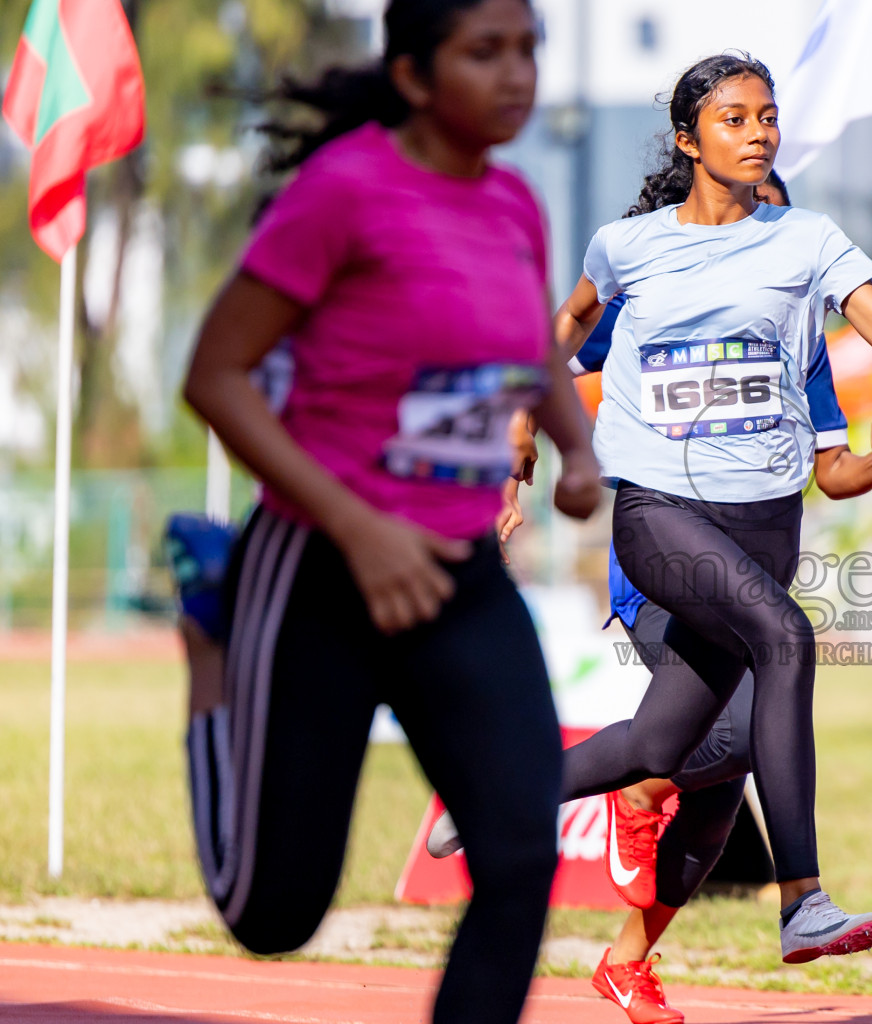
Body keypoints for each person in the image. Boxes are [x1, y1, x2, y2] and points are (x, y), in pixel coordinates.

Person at [178, 1, 600, 1021]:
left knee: (515, 853)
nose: (517, 76)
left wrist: (578, 448)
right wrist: (359, 527)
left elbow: (529, 345)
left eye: (528, 51)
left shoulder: (514, 203)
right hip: (321, 562)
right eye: (484, 53)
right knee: (273, 912)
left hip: (457, 570)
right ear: (413, 76)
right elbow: (216, 375)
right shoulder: (344, 193)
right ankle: (209, 637)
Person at [429, 171, 872, 1023]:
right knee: (741, 720)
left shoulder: (794, 333)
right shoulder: (653, 293)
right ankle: (771, 877)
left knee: (704, 764)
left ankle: (620, 946)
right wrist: (514, 463)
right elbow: (537, 363)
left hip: (751, 561)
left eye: (771, 212)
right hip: (661, 555)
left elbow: (828, 471)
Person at [548, 52, 872, 967]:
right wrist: (523, 442)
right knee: (782, 648)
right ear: (690, 142)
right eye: (737, 119)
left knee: (692, 748)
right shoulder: (639, 256)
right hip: (657, 534)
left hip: (758, 538)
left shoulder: (800, 287)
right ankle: (800, 898)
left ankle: (556, 839)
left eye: (769, 118)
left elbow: (866, 425)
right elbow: (562, 342)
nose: (762, 133)